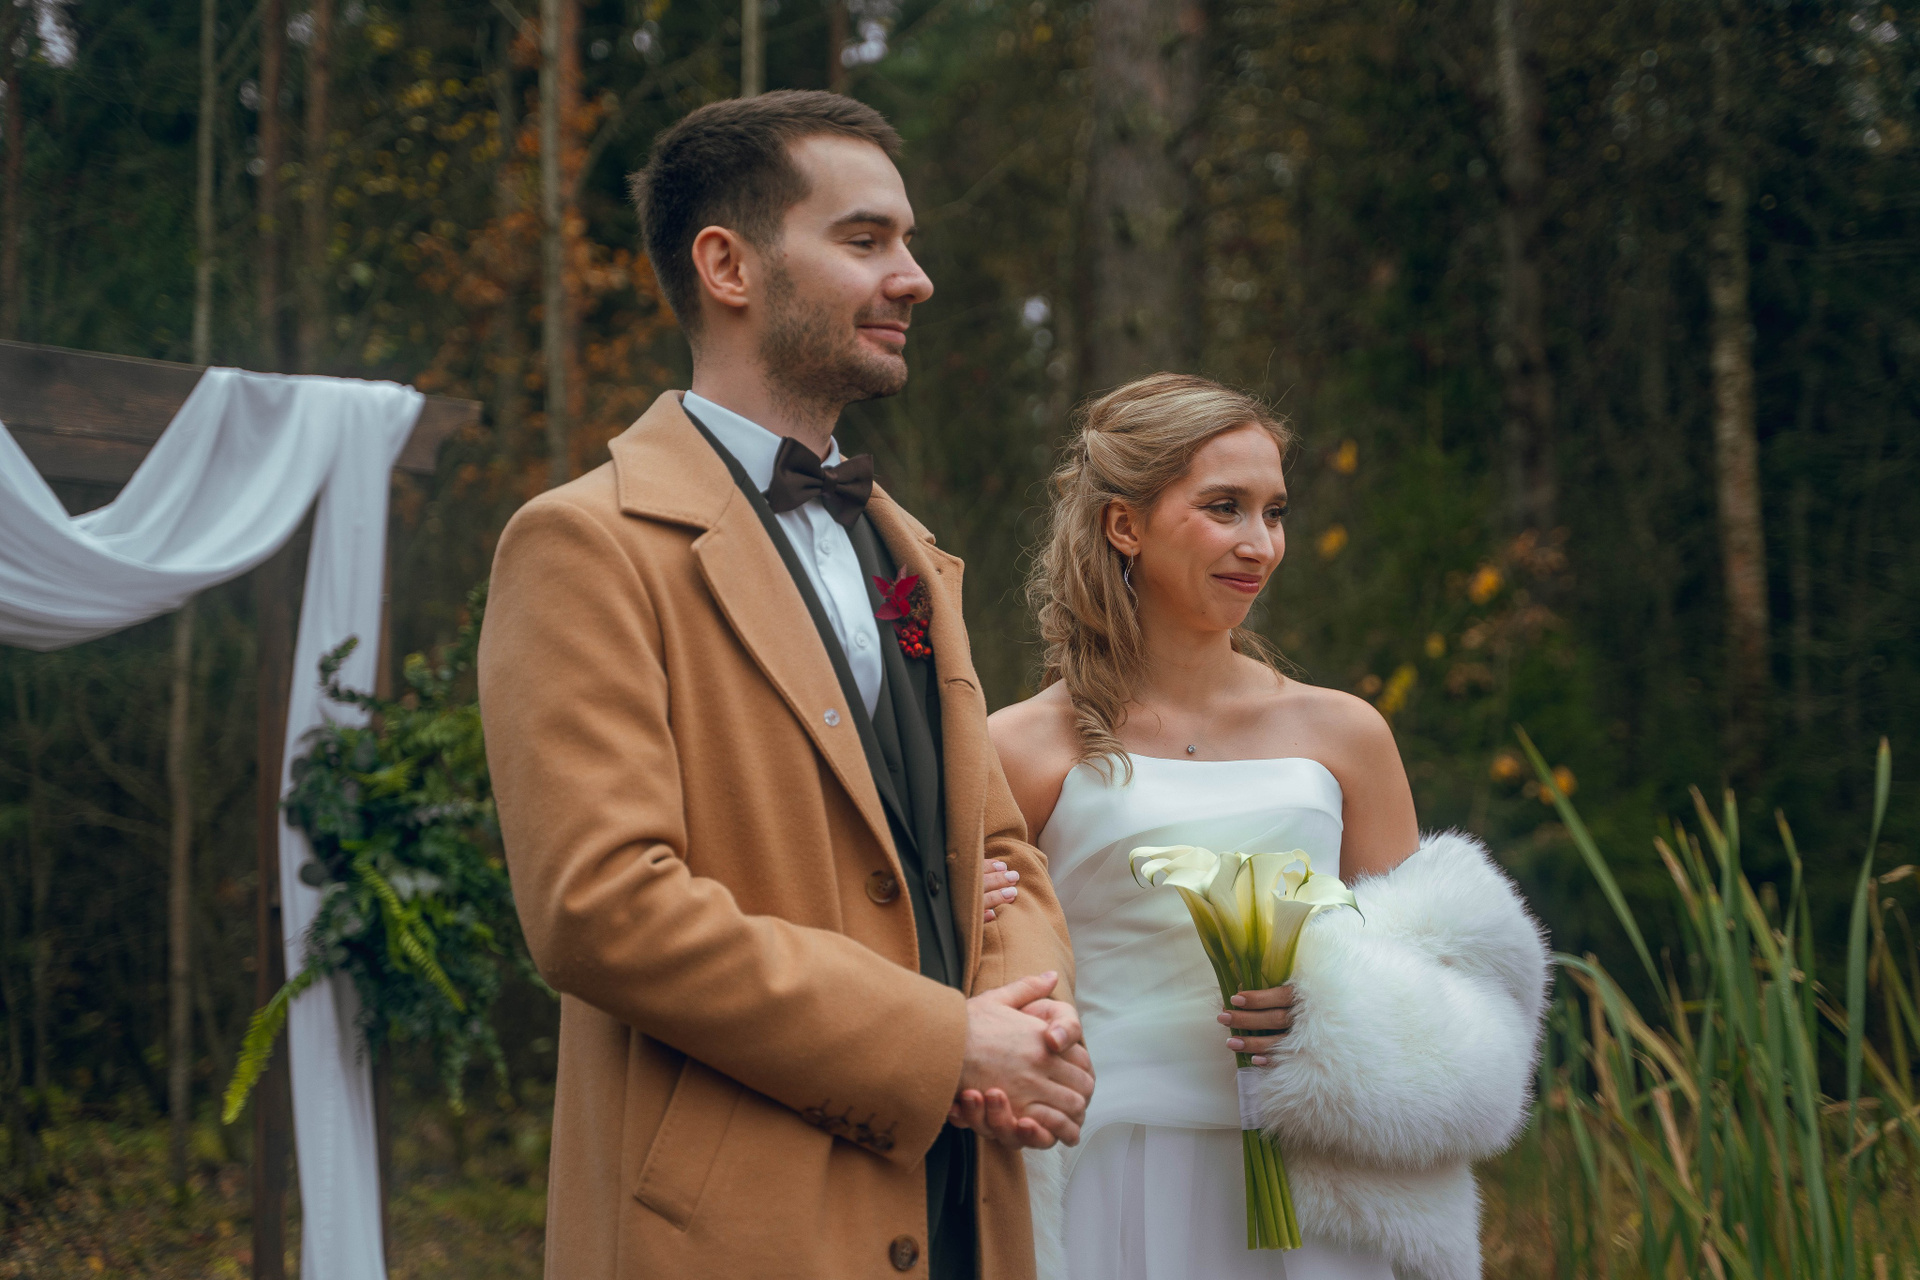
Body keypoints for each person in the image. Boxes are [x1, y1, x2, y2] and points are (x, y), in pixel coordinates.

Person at [478, 91, 1092, 1280]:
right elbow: (602, 905)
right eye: (865, 239)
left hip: (968, 1203)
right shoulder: (584, 544)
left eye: (908, 241)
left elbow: (1003, 854)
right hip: (740, 1225)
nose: (913, 277)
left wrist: (1031, 1013)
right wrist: (943, 1042)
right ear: (728, 266)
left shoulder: (910, 548)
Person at [987, 374, 1550, 1280]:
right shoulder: (1016, 747)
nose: (1261, 544)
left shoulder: (1345, 734)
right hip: (1112, 1172)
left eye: (1275, 512)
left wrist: (1337, 1015)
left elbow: (1435, 978)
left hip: (1314, 1190)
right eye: (1225, 508)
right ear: (1125, 525)